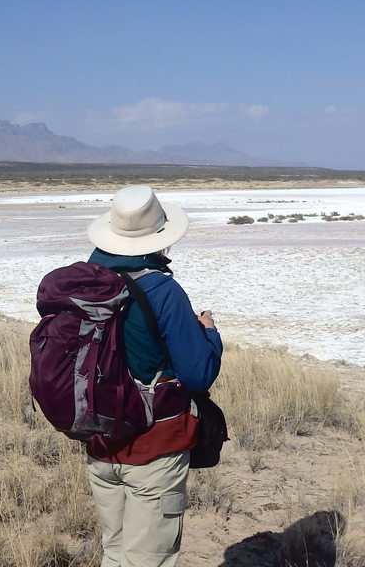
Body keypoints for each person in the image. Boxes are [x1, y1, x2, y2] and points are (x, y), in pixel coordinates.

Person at [83, 185, 223, 567]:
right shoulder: (161, 289)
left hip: (99, 441)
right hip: (153, 447)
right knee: (149, 560)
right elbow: (198, 374)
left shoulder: (87, 285)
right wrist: (208, 332)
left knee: (114, 552)